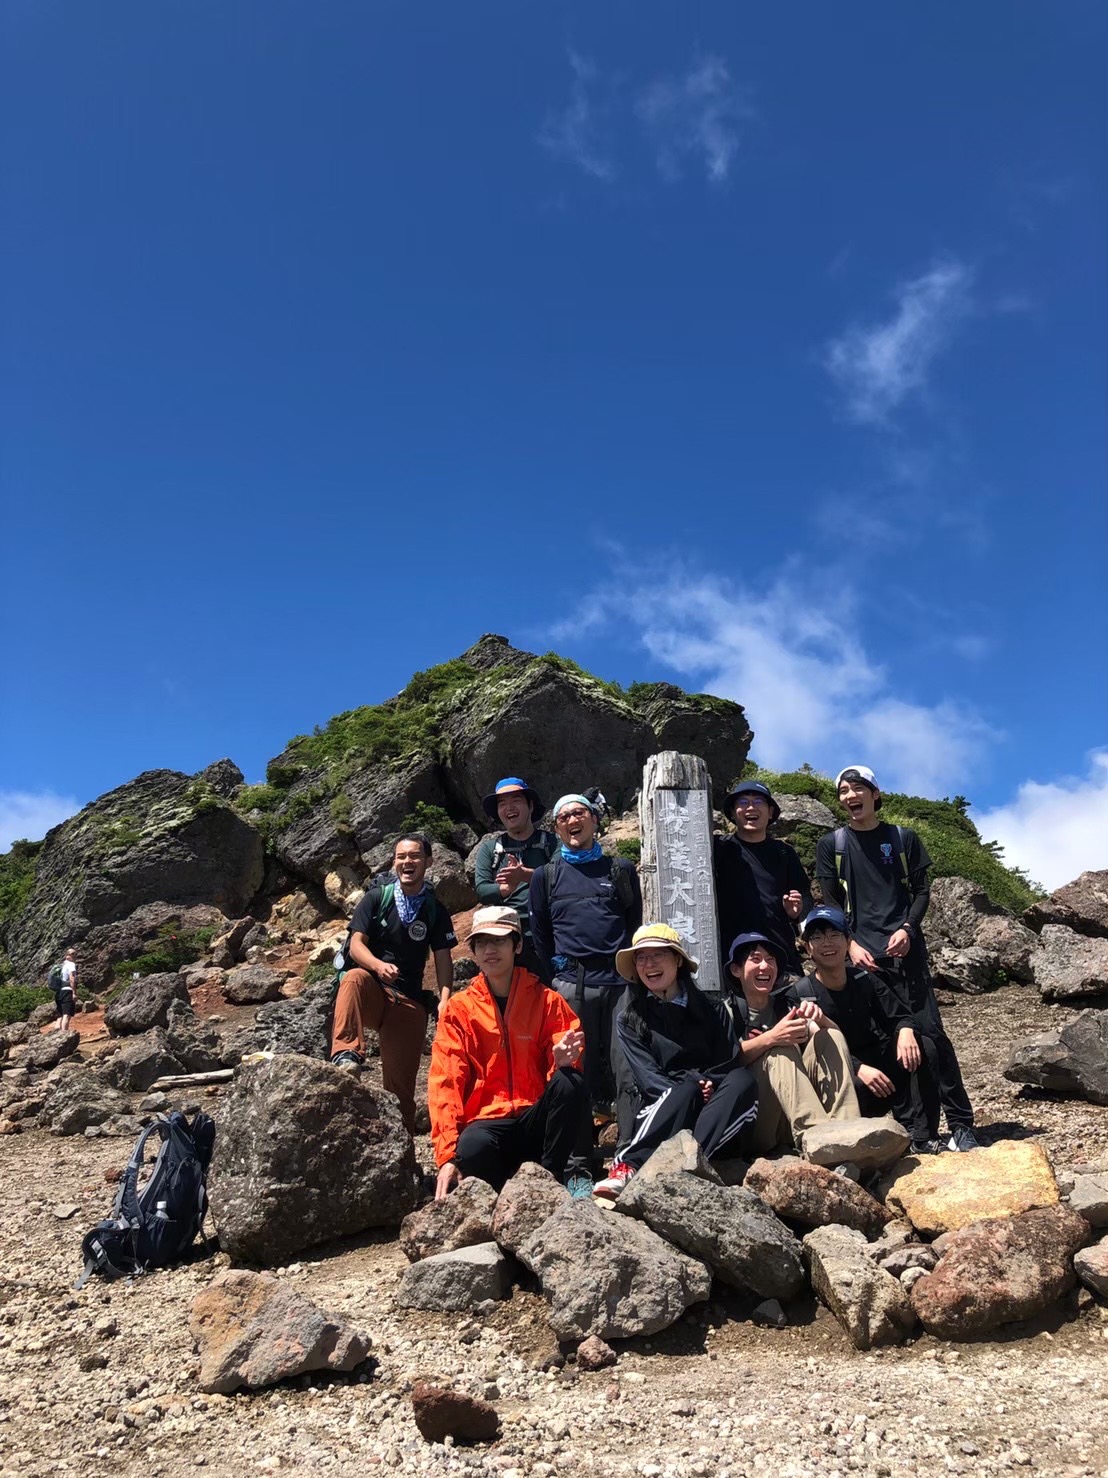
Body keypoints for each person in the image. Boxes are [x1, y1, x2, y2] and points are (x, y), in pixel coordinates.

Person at [815, 765, 980, 1152]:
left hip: (906, 951)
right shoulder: (832, 844)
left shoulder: (902, 838)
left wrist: (907, 928)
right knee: (892, 1037)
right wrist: (851, 945)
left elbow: (922, 891)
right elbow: (831, 902)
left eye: (858, 788)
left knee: (932, 1036)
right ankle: (920, 1131)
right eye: (843, 791)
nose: (850, 796)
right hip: (862, 956)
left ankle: (960, 1125)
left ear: (875, 794)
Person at [428, 905, 593, 1198]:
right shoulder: (458, 1010)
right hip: (487, 1123)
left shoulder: (547, 1001)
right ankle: (503, 1193)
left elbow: (569, 1058)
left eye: (499, 940)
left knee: (571, 1082)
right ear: (474, 952)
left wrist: (559, 1064)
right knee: (472, 1147)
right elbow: (445, 1083)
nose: (490, 949)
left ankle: (550, 1181)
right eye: (482, 942)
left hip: (534, 1120)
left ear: (517, 945)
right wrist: (447, 1156)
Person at [594, 924, 759, 1199]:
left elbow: (727, 1062)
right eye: (642, 958)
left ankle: (690, 1161)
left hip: (711, 1111)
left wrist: (710, 1086)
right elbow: (648, 1079)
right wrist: (694, 1085)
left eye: (658, 955)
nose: (650, 965)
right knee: (685, 1090)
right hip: (664, 1107)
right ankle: (629, 1164)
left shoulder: (713, 1009)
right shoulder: (630, 1019)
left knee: (744, 1081)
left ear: (678, 959)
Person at [329, 833, 457, 1134]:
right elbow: (356, 945)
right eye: (401, 857)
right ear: (394, 862)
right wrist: (376, 965)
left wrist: (445, 998)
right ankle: (346, 1056)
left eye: (414, 856)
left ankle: (403, 1150)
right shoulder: (376, 898)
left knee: (401, 1093)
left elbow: (443, 959)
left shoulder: (435, 909)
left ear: (428, 861)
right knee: (354, 978)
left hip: (409, 1001)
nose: (407, 862)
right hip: (373, 989)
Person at [529, 792, 642, 1129]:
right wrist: (558, 977)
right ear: (556, 829)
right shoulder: (545, 876)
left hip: (619, 983)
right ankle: (577, 1156)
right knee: (574, 1067)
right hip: (571, 985)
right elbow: (540, 935)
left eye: (579, 813)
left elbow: (633, 923)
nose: (572, 821)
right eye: (563, 817)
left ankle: (629, 1149)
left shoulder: (619, 870)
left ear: (594, 820)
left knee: (626, 1066)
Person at [796, 905, 943, 1154]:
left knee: (923, 1046)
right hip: (842, 1085)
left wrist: (906, 1030)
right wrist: (856, 1068)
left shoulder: (864, 980)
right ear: (808, 948)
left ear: (847, 942)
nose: (826, 943)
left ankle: (922, 1137)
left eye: (834, 935)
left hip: (880, 1073)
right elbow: (807, 1056)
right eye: (817, 937)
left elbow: (900, 1016)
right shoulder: (802, 994)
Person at [726, 932, 861, 1156]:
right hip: (757, 1122)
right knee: (781, 1049)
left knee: (830, 1036)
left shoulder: (787, 1006)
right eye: (756, 959)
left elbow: (834, 1040)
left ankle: (847, 1129)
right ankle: (818, 1138)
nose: (765, 966)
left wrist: (821, 1020)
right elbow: (725, 1064)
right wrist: (771, 1038)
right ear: (736, 970)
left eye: (770, 960)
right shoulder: (728, 1012)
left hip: (790, 1117)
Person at [713, 780, 812, 979]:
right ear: (732, 813)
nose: (751, 807)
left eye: (759, 801)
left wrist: (796, 911)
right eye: (743, 802)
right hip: (730, 960)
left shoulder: (784, 853)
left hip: (779, 956)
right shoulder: (718, 848)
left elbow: (805, 897)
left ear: (770, 813)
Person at [473, 777, 558, 980]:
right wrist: (505, 889)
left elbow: (560, 877)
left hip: (547, 933)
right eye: (502, 803)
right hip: (504, 936)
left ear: (530, 806)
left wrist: (527, 875)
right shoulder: (490, 848)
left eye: (516, 800)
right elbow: (482, 890)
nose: (509, 807)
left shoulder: (551, 842)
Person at [51, 949, 79, 1032]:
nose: (75, 956)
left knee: (60, 1015)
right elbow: (72, 978)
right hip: (67, 991)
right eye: (74, 954)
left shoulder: (61, 965)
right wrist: (74, 992)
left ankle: (56, 1034)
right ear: (72, 955)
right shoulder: (71, 964)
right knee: (66, 1015)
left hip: (59, 992)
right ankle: (64, 1037)